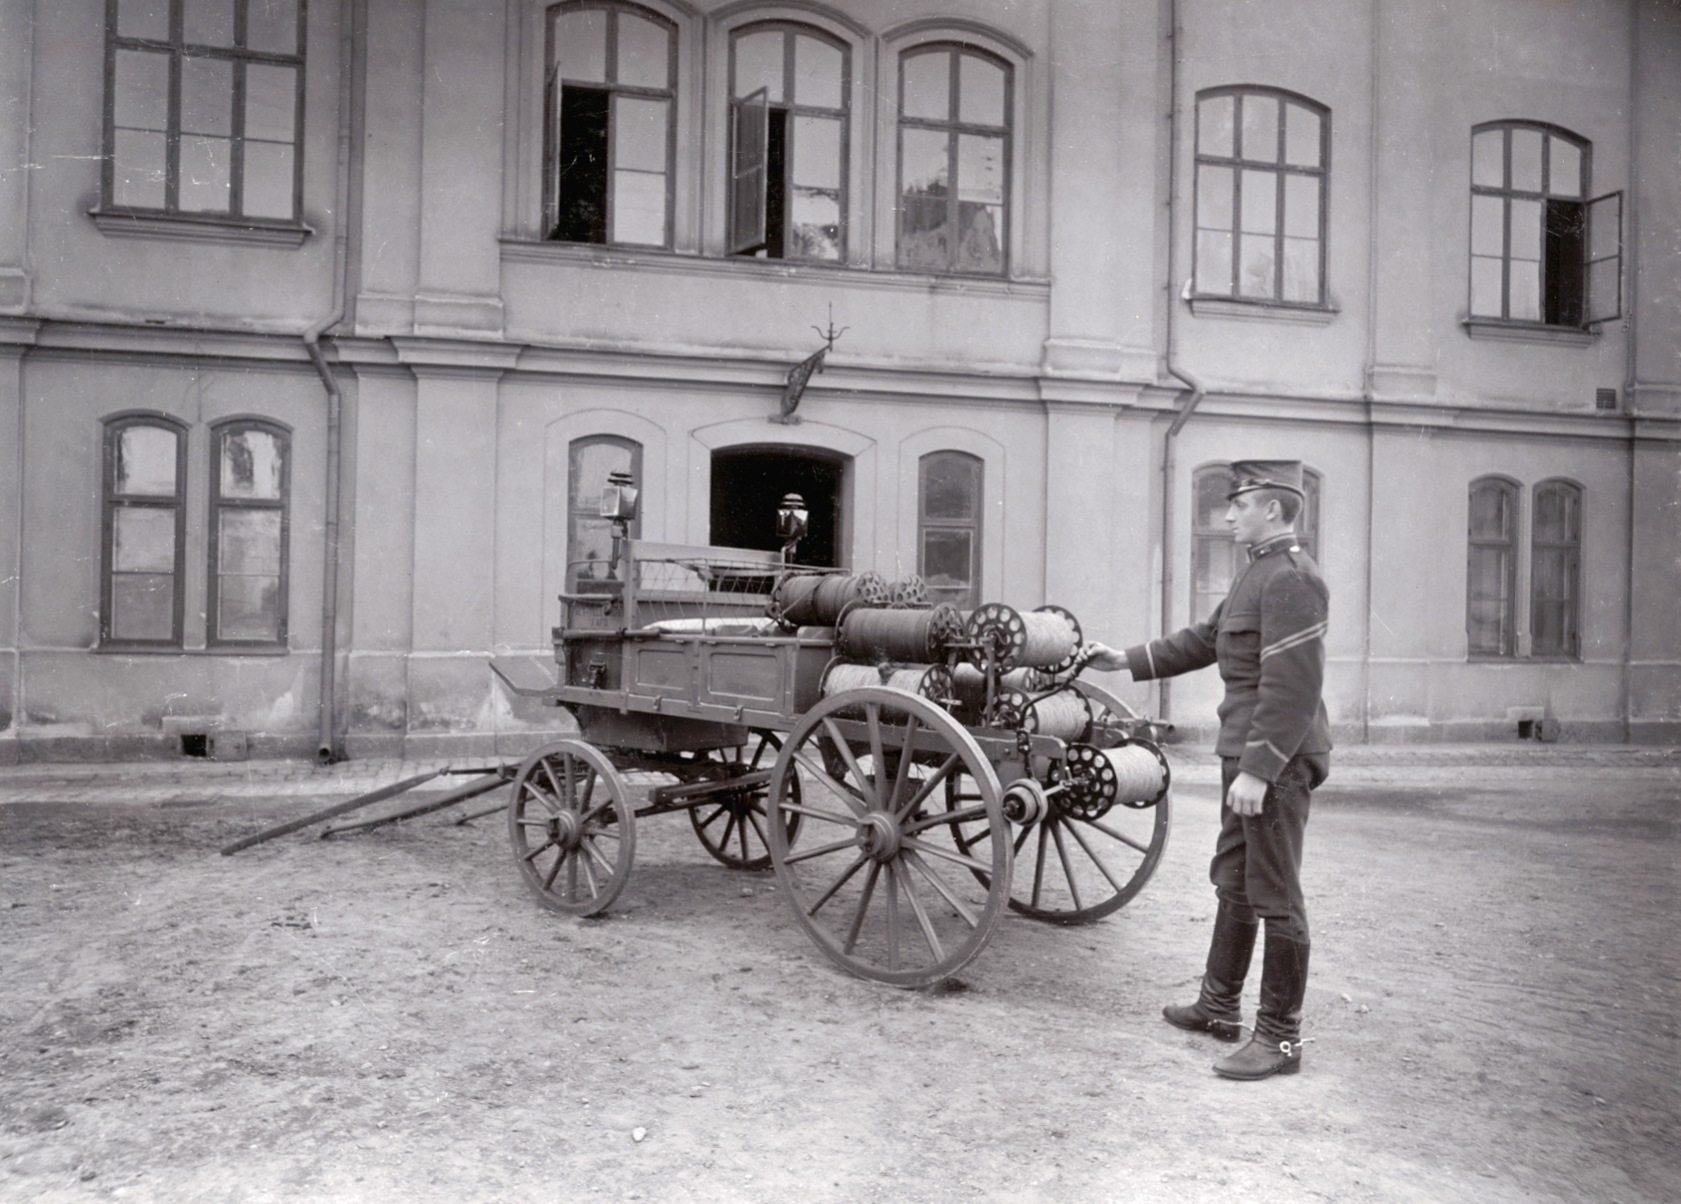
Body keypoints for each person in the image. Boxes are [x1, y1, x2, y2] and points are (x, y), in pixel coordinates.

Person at [1083, 460, 1331, 1080]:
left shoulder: (1293, 579)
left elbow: (1293, 689)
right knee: (1237, 877)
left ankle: (1279, 1040)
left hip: (1273, 761)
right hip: (1246, 754)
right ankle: (1220, 1005)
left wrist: (1259, 769)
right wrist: (1126, 660)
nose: (1227, 515)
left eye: (1239, 505)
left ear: (1271, 509)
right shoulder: (1258, 575)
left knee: (1275, 890)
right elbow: (1204, 640)